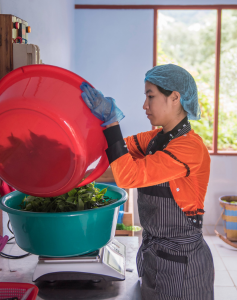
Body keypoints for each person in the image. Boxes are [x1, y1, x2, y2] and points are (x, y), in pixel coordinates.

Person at [80, 64, 214, 300]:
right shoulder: (154, 139)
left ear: (174, 97)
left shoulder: (190, 148)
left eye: (150, 96)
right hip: (153, 257)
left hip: (182, 266)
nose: (145, 105)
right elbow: (115, 149)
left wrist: (112, 123)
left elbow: (127, 176)